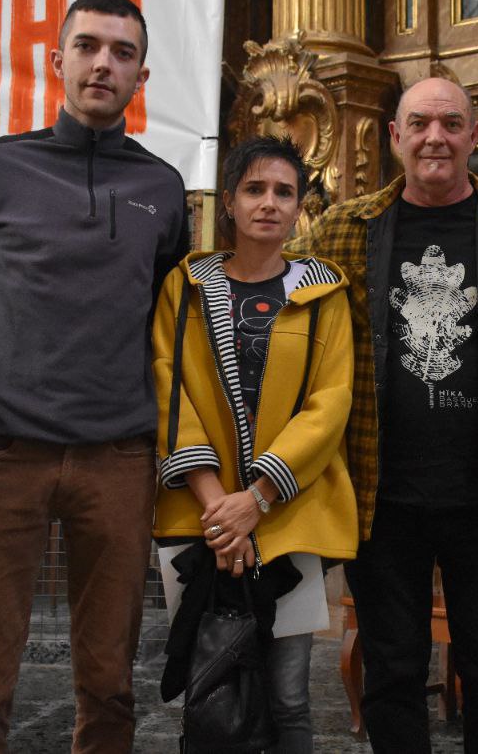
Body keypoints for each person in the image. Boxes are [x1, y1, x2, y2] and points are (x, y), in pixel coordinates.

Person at [0, 0, 188, 753]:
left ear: (141, 76)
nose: (103, 64)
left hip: (118, 457)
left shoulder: (163, 188)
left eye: (122, 52)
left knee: (110, 684)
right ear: (56, 60)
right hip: (3, 454)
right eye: (88, 46)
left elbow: (170, 322)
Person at [298, 76, 478, 753]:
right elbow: (301, 349)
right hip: (380, 495)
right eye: (419, 123)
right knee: (392, 672)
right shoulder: (341, 232)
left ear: (475, 136)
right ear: (395, 136)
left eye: (451, 123)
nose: (435, 138)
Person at [151, 135, 358, 753]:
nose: (269, 203)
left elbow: (330, 402)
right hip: (202, 517)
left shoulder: (324, 294)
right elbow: (166, 384)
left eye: (284, 192)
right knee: (212, 691)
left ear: (299, 208)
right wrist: (222, 509)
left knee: (290, 696)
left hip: (289, 515)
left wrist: (258, 498)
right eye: (254, 189)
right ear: (230, 203)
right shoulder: (185, 287)